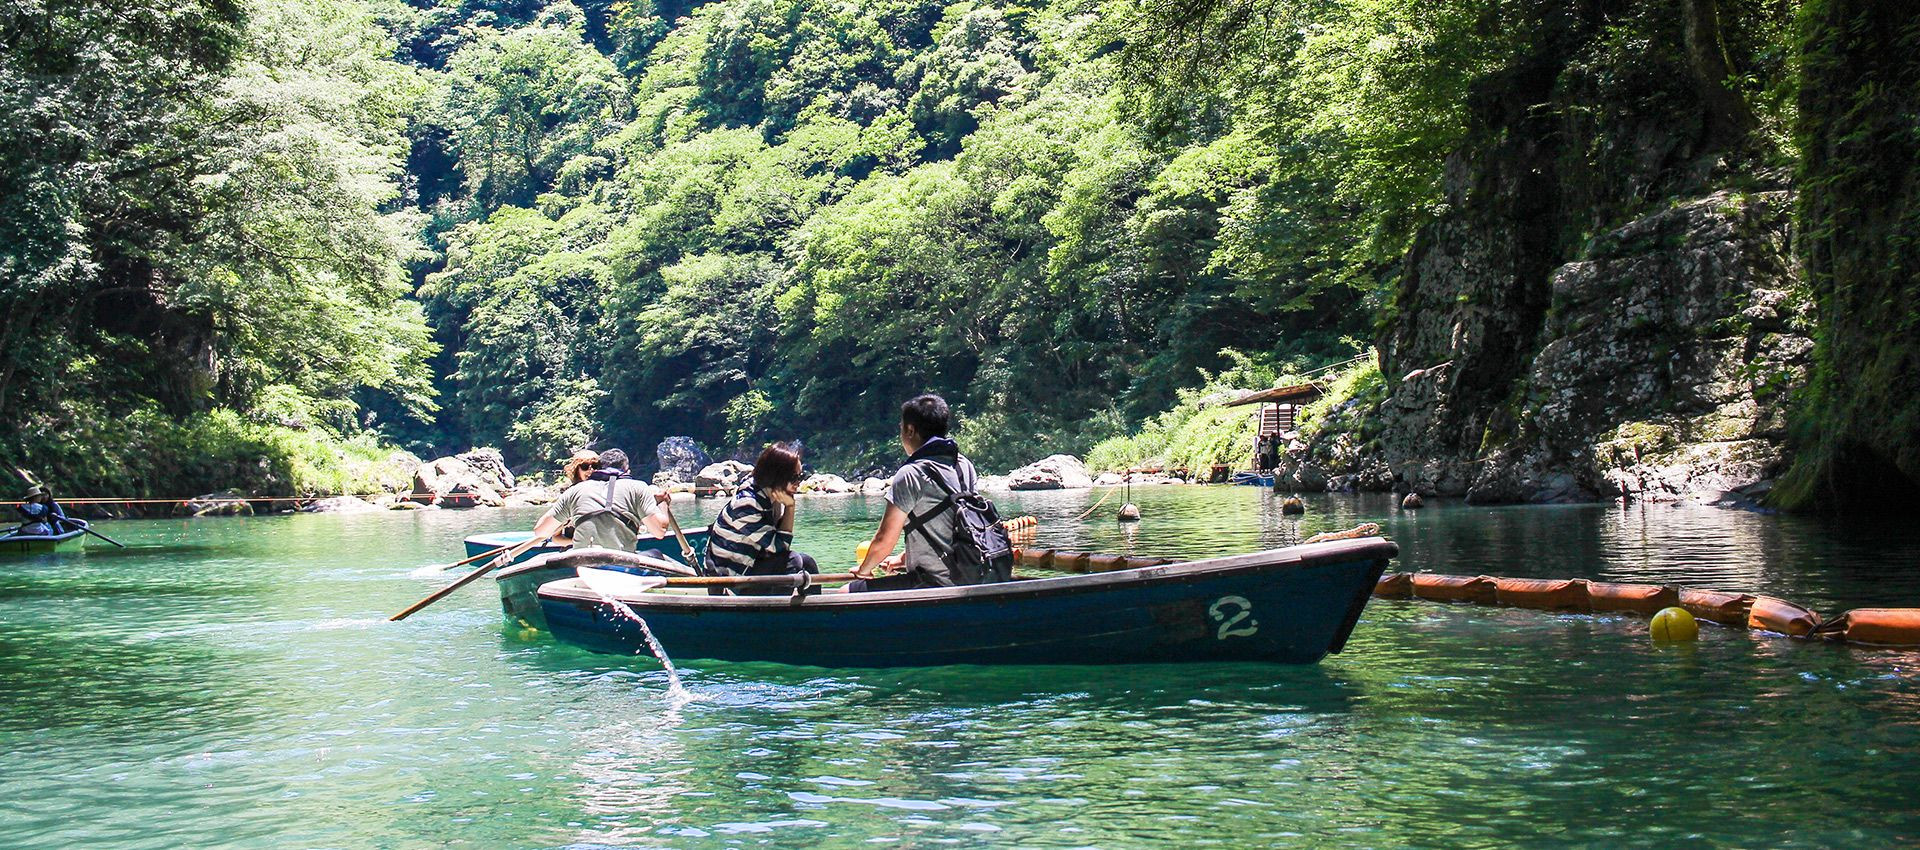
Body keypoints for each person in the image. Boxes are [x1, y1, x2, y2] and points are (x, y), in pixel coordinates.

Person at [851, 393, 1000, 591]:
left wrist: (864, 570)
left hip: (932, 582)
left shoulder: (910, 474)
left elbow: (884, 540)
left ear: (910, 430)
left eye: (902, 429)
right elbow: (958, 527)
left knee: (847, 591)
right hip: (972, 576)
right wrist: (902, 559)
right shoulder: (963, 465)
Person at [703, 443, 820, 595]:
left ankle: (815, 611)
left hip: (751, 562)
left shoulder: (768, 493)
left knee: (807, 562)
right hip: (729, 578)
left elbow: (776, 540)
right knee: (792, 561)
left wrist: (784, 502)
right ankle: (772, 615)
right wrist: (790, 507)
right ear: (777, 476)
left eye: (801, 476)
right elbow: (780, 546)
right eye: (794, 477)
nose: (799, 482)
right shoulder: (748, 503)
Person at [533, 448, 671, 550]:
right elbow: (659, 532)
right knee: (655, 553)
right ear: (627, 471)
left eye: (594, 466)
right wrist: (663, 503)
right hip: (621, 560)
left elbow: (540, 531)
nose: (590, 470)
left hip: (582, 562)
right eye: (585, 466)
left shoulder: (573, 492)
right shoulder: (637, 487)